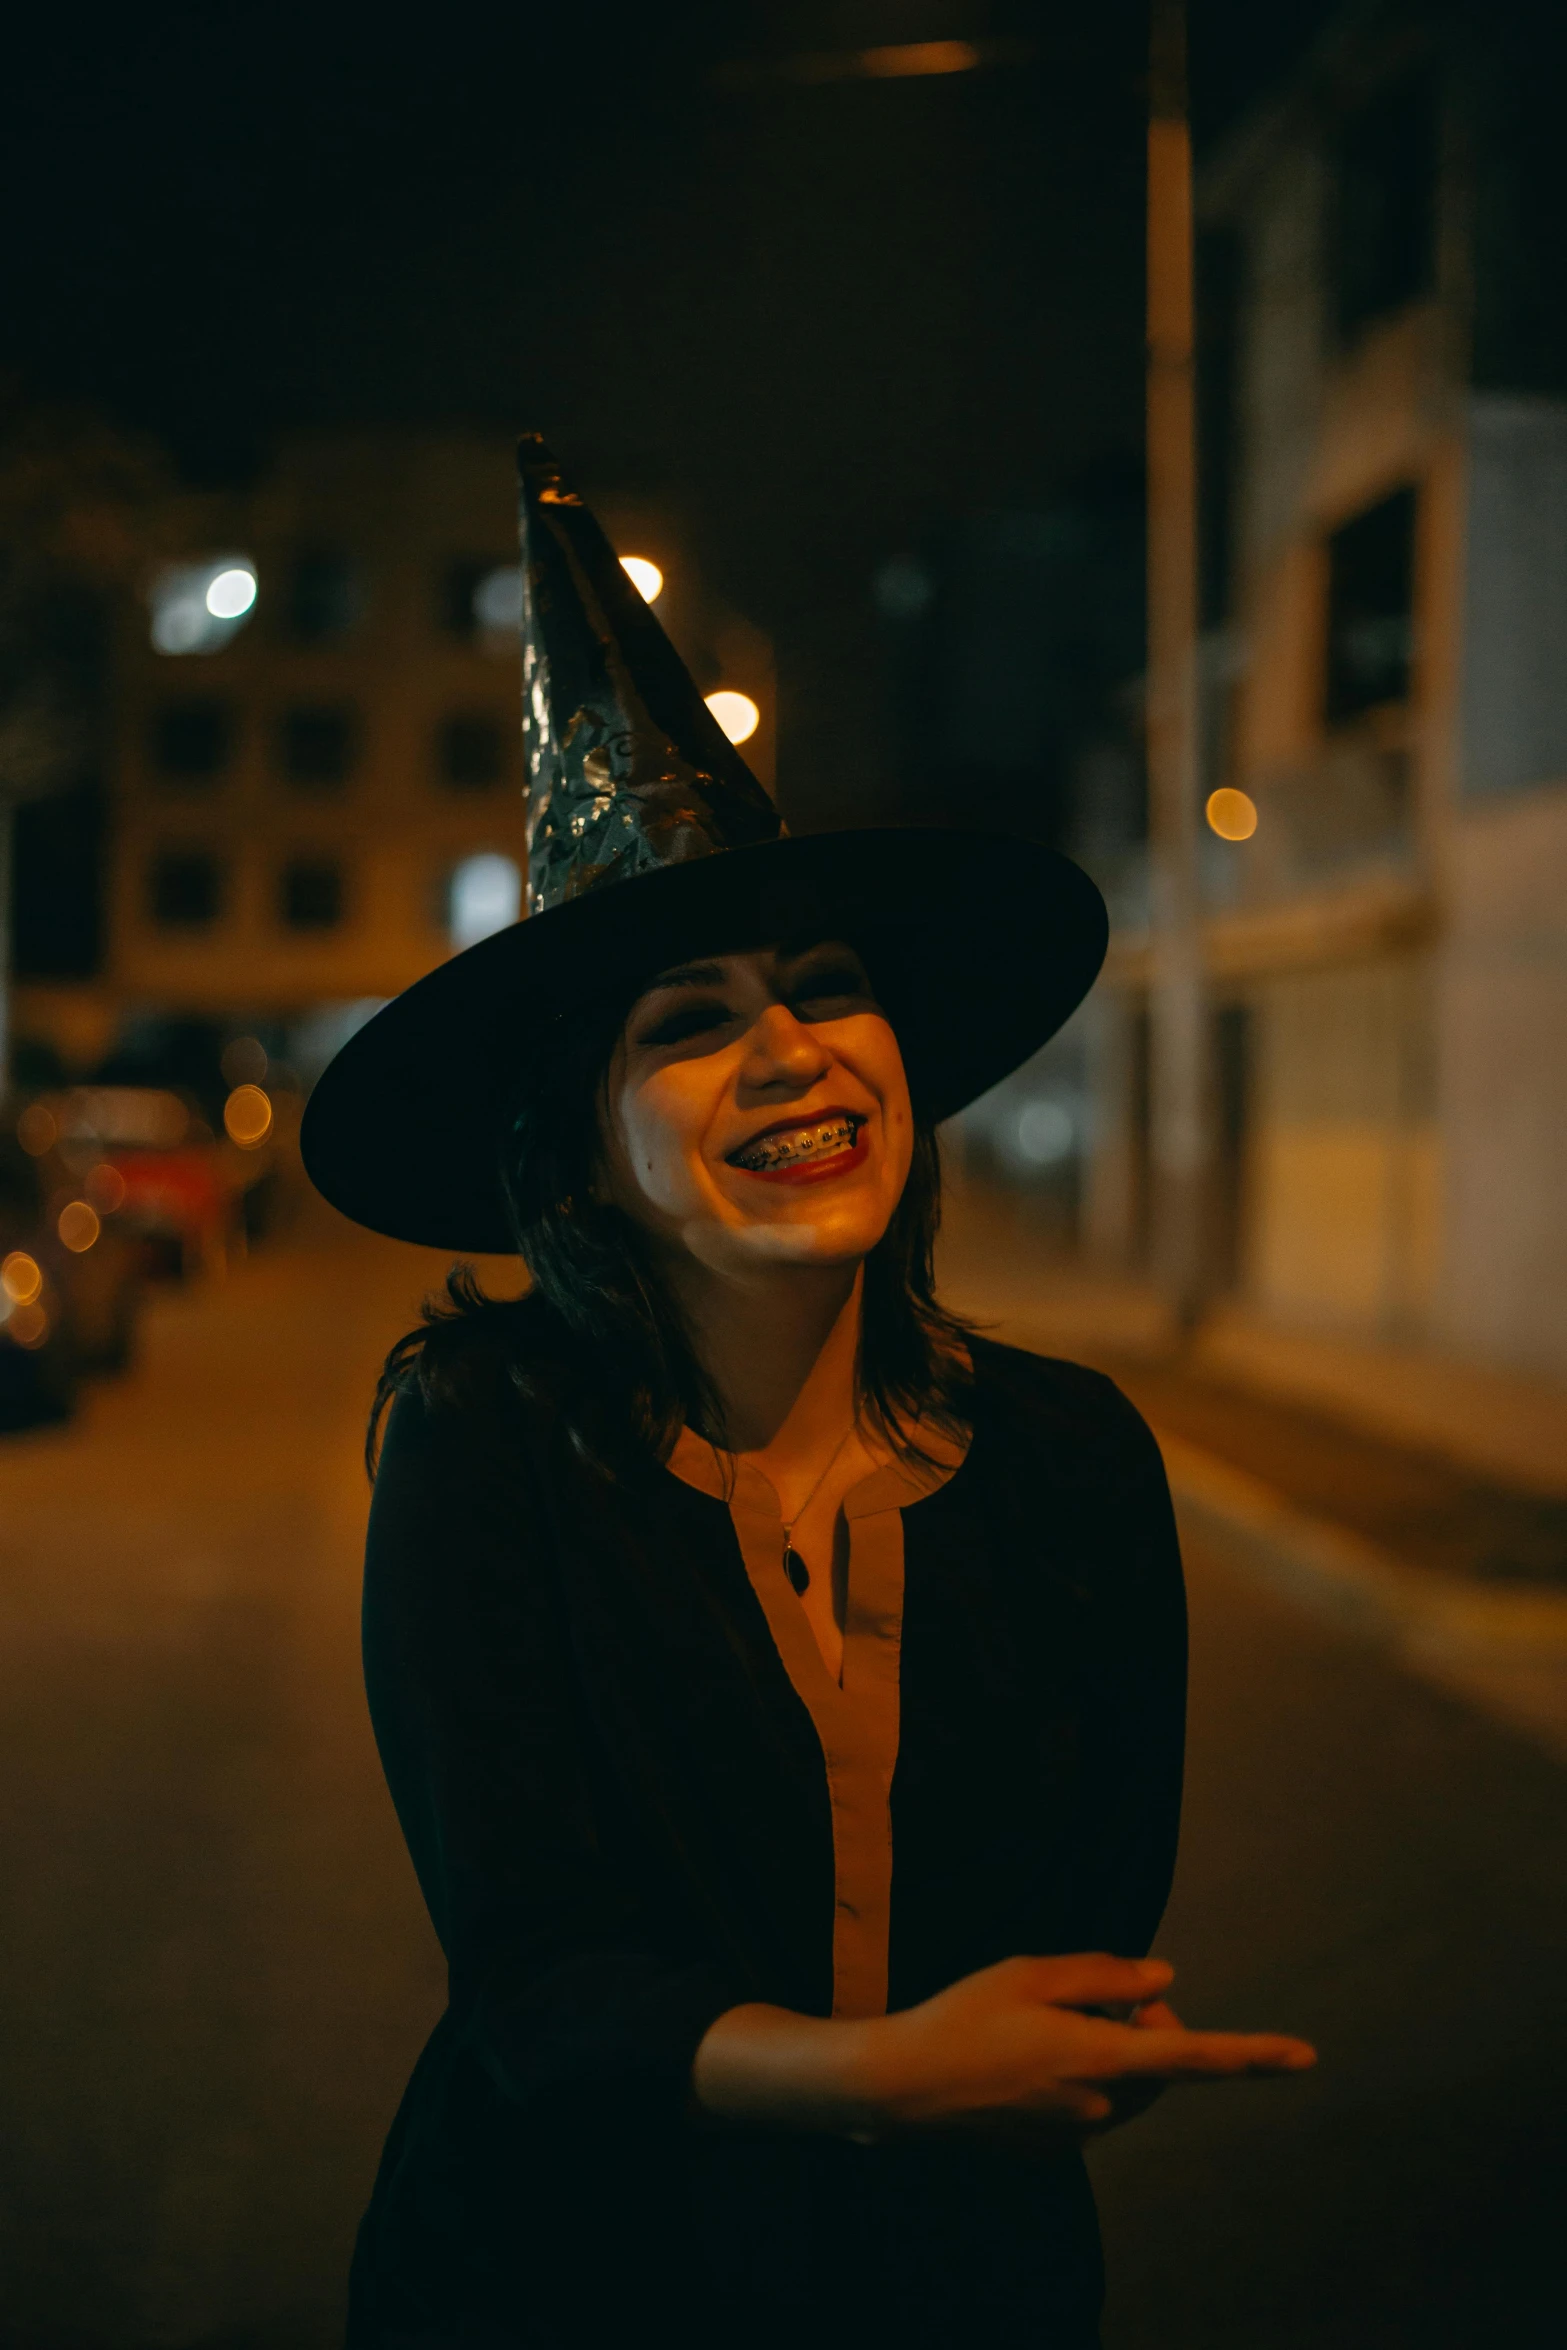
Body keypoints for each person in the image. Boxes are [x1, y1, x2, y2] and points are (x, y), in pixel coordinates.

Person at [302, 437, 1315, 2350]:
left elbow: (1083, 1937)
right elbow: (538, 1986)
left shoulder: (1072, 1458)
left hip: (965, 2292)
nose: (784, 1047)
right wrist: (884, 2076)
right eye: (686, 1021)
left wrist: (1050, 2056)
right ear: (581, 1156)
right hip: (556, 2285)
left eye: (824, 987)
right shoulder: (488, 1437)